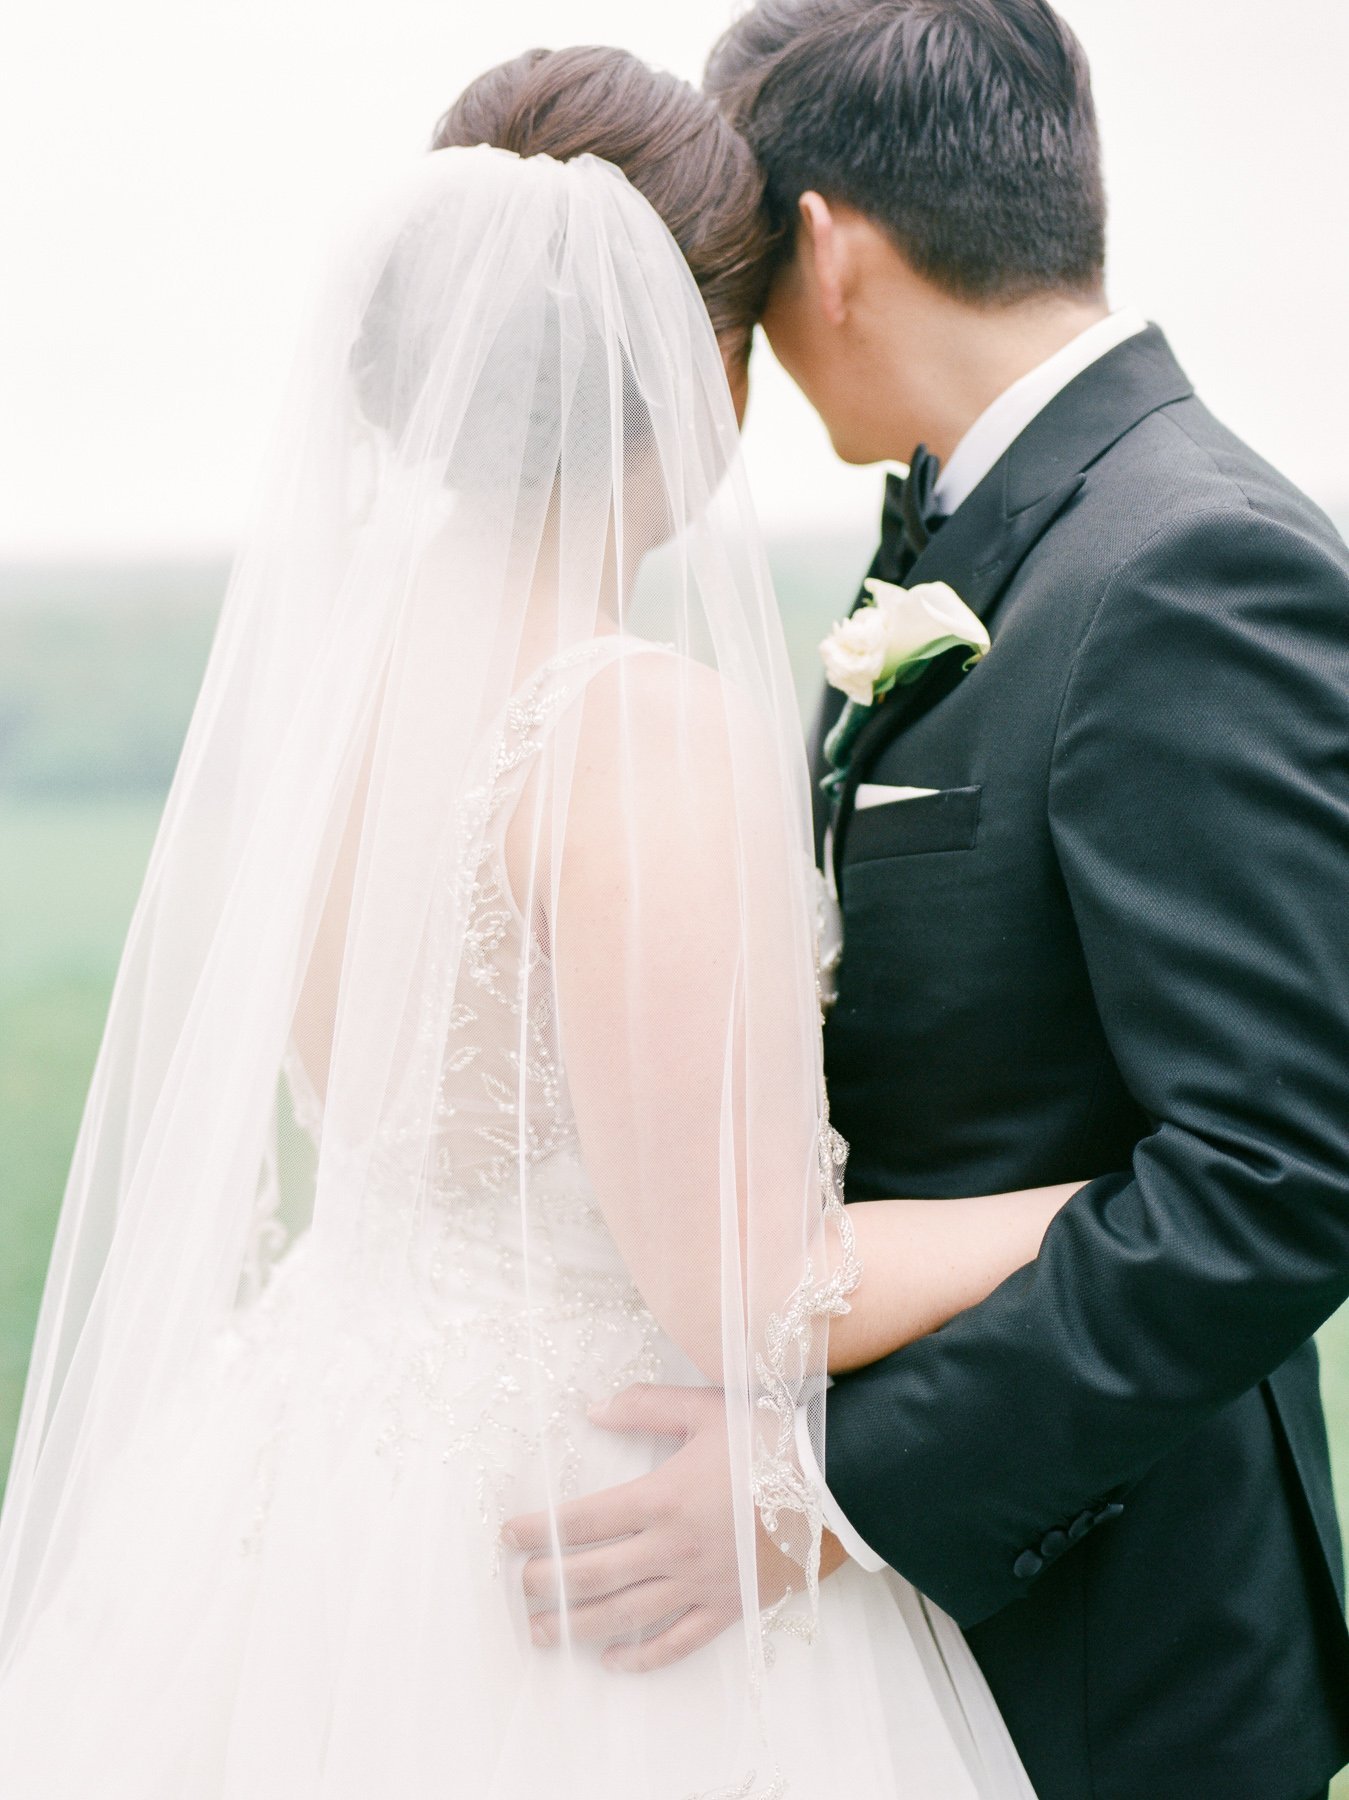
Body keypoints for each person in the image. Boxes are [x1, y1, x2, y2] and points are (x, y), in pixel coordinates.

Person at [0, 43, 1103, 1800]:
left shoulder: (314, 705)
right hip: (571, 1534)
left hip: (306, 1479)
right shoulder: (628, 729)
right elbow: (756, 1292)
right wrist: (1102, 1196)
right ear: (699, 367)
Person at [508, 8, 1349, 1799]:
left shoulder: (1190, 564)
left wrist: (822, 1488)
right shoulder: (959, 527)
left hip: (1111, 1653)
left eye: (733, 268)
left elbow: (1283, 1173)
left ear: (821, 242)